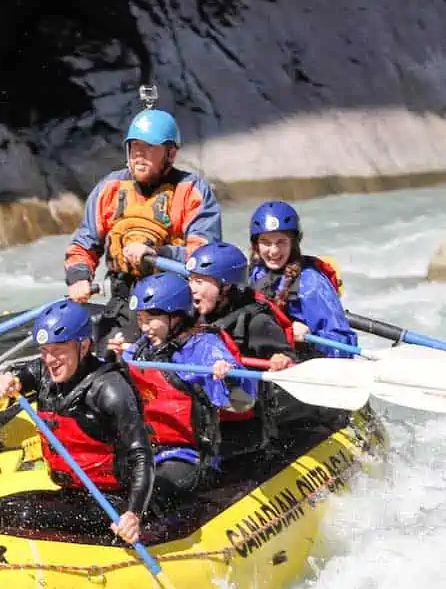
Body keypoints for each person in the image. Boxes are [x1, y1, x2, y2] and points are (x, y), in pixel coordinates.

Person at [0, 300, 153, 544]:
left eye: (58, 350)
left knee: (25, 515)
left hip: (110, 501)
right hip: (70, 494)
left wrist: (133, 514)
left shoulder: (111, 389)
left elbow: (142, 455)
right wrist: (0, 389)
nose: (50, 359)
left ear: (84, 346)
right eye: (44, 350)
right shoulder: (41, 372)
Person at [64, 104, 222, 347]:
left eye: (149, 148)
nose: (139, 154)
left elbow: (205, 257)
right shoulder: (110, 188)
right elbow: (84, 244)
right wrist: (79, 277)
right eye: (135, 146)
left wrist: (157, 254)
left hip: (173, 302)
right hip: (124, 298)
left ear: (170, 153)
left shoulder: (192, 191)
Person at [113, 273, 257, 508]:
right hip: (147, 449)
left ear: (176, 316)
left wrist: (226, 376)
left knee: (151, 493)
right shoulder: (143, 347)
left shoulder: (203, 346)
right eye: (140, 319)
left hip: (189, 455)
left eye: (151, 319)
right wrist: (119, 355)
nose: (144, 327)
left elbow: (243, 402)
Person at [186, 241, 301, 456]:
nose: (192, 288)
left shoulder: (257, 322)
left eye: (200, 282)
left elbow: (289, 360)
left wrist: (281, 360)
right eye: (191, 280)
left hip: (246, 427)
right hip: (203, 419)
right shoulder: (193, 314)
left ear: (226, 286)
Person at [247, 201, 357, 357]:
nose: (274, 251)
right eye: (266, 242)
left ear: (293, 243)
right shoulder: (254, 273)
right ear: (256, 245)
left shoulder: (310, 282)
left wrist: (310, 338)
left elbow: (343, 346)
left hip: (300, 364)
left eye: (281, 242)